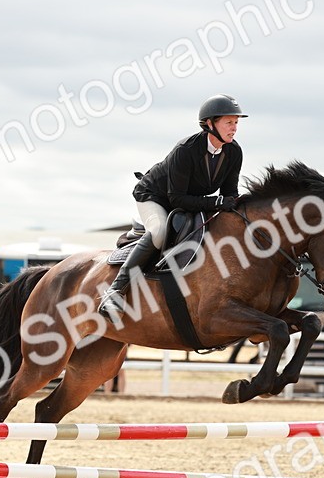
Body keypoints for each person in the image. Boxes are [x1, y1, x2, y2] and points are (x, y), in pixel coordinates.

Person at [98, 94, 247, 318]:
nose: (234, 128)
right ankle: (114, 291)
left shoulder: (234, 152)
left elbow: (229, 194)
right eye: (229, 122)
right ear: (209, 124)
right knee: (159, 232)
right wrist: (216, 202)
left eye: (236, 122)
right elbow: (177, 199)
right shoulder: (186, 150)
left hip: (188, 201)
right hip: (156, 196)